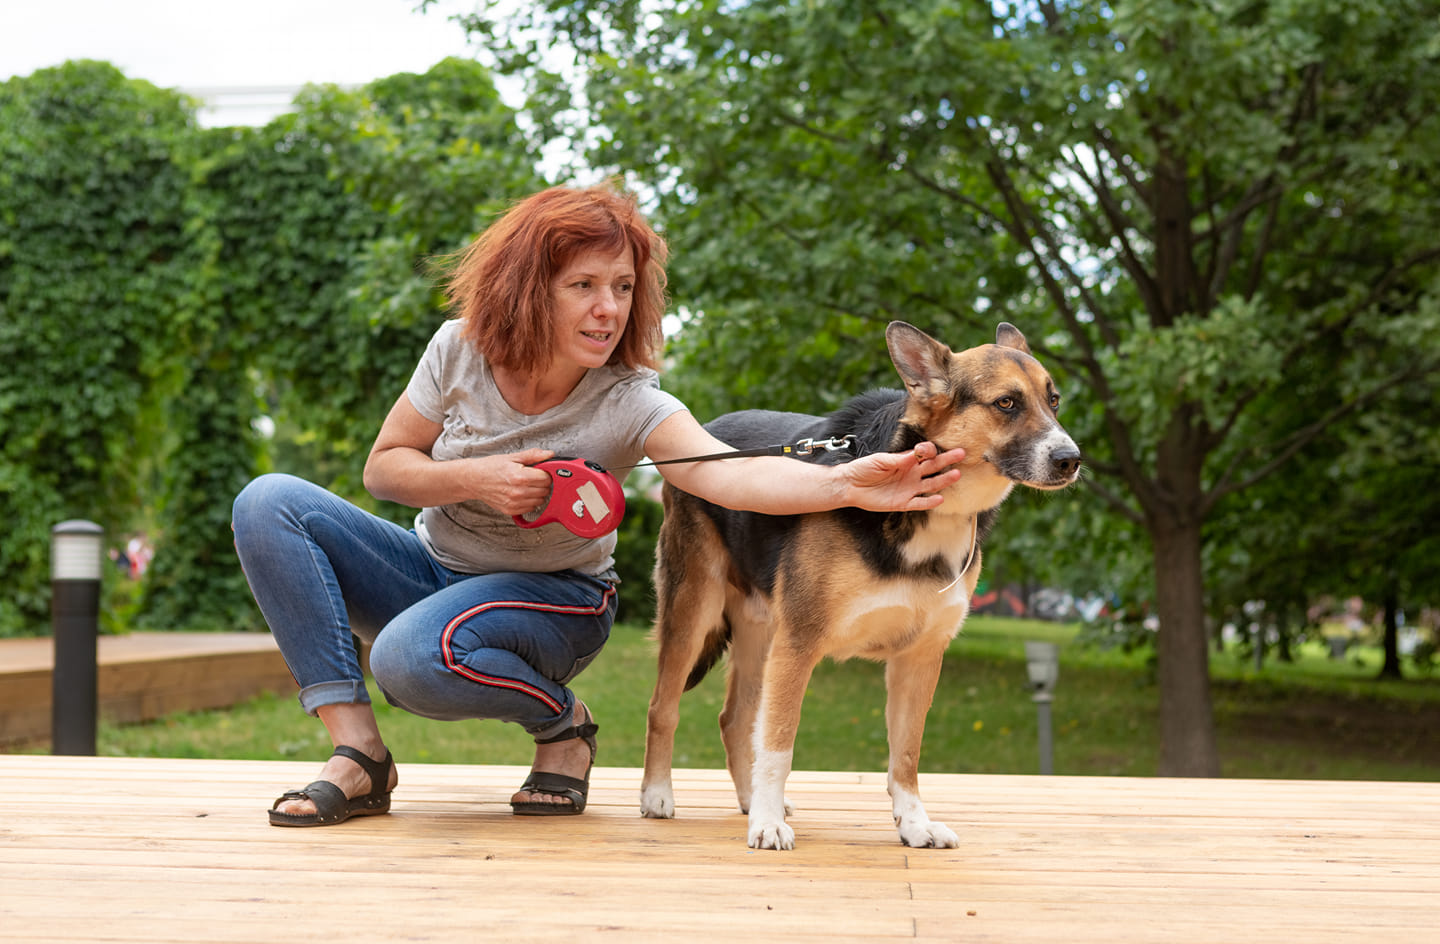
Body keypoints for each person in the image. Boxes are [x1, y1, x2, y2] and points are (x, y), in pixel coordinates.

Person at [231, 182, 966, 827]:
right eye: (583, 285)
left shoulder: (629, 398)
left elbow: (726, 478)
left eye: (621, 286)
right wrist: (479, 479)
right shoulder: (458, 348)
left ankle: (566, 728)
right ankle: (358, 753)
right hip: (434, 566)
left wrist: (850, 483)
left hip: (556, 600)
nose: (607, 307)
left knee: (406, 659)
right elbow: (385, 469)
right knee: (270, 502)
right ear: (528, 286)